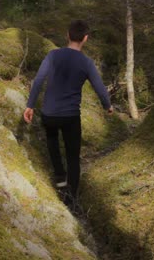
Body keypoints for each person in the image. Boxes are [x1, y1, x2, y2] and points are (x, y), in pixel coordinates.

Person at [23, 20, 113, 203]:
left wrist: (30, 105)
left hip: (49, 114)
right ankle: (71, 199)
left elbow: (39, 80)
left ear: (67, 35)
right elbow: (99, 88)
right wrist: (107, 106)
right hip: (70, 116)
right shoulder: (86, 63)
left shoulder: (52, 55)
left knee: (52, 141)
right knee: (73, 156)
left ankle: (59, 178)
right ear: (85, 39)